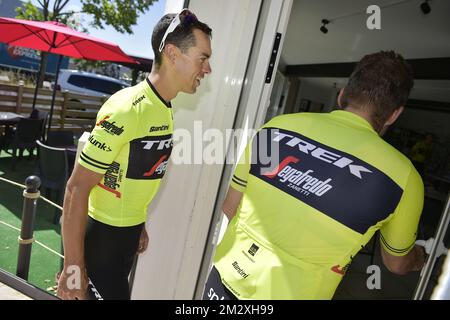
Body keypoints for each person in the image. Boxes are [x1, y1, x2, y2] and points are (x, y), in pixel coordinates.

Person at [204, 51, 425, 300]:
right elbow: (397, 263)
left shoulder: (276, 128)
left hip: (225, 280)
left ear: (342, 95)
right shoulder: (404, 178)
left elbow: (230, 206)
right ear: (394, 114)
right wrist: (420, 258)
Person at [57, 9, 212, 300]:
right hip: (100, 242)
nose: (207, 69)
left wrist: (136, 223)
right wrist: (74, 269)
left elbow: (135, 170)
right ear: (173, 54)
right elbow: (76, 188)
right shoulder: (127, 108)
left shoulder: (163, 108)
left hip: (123, 239)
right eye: (203, 59)